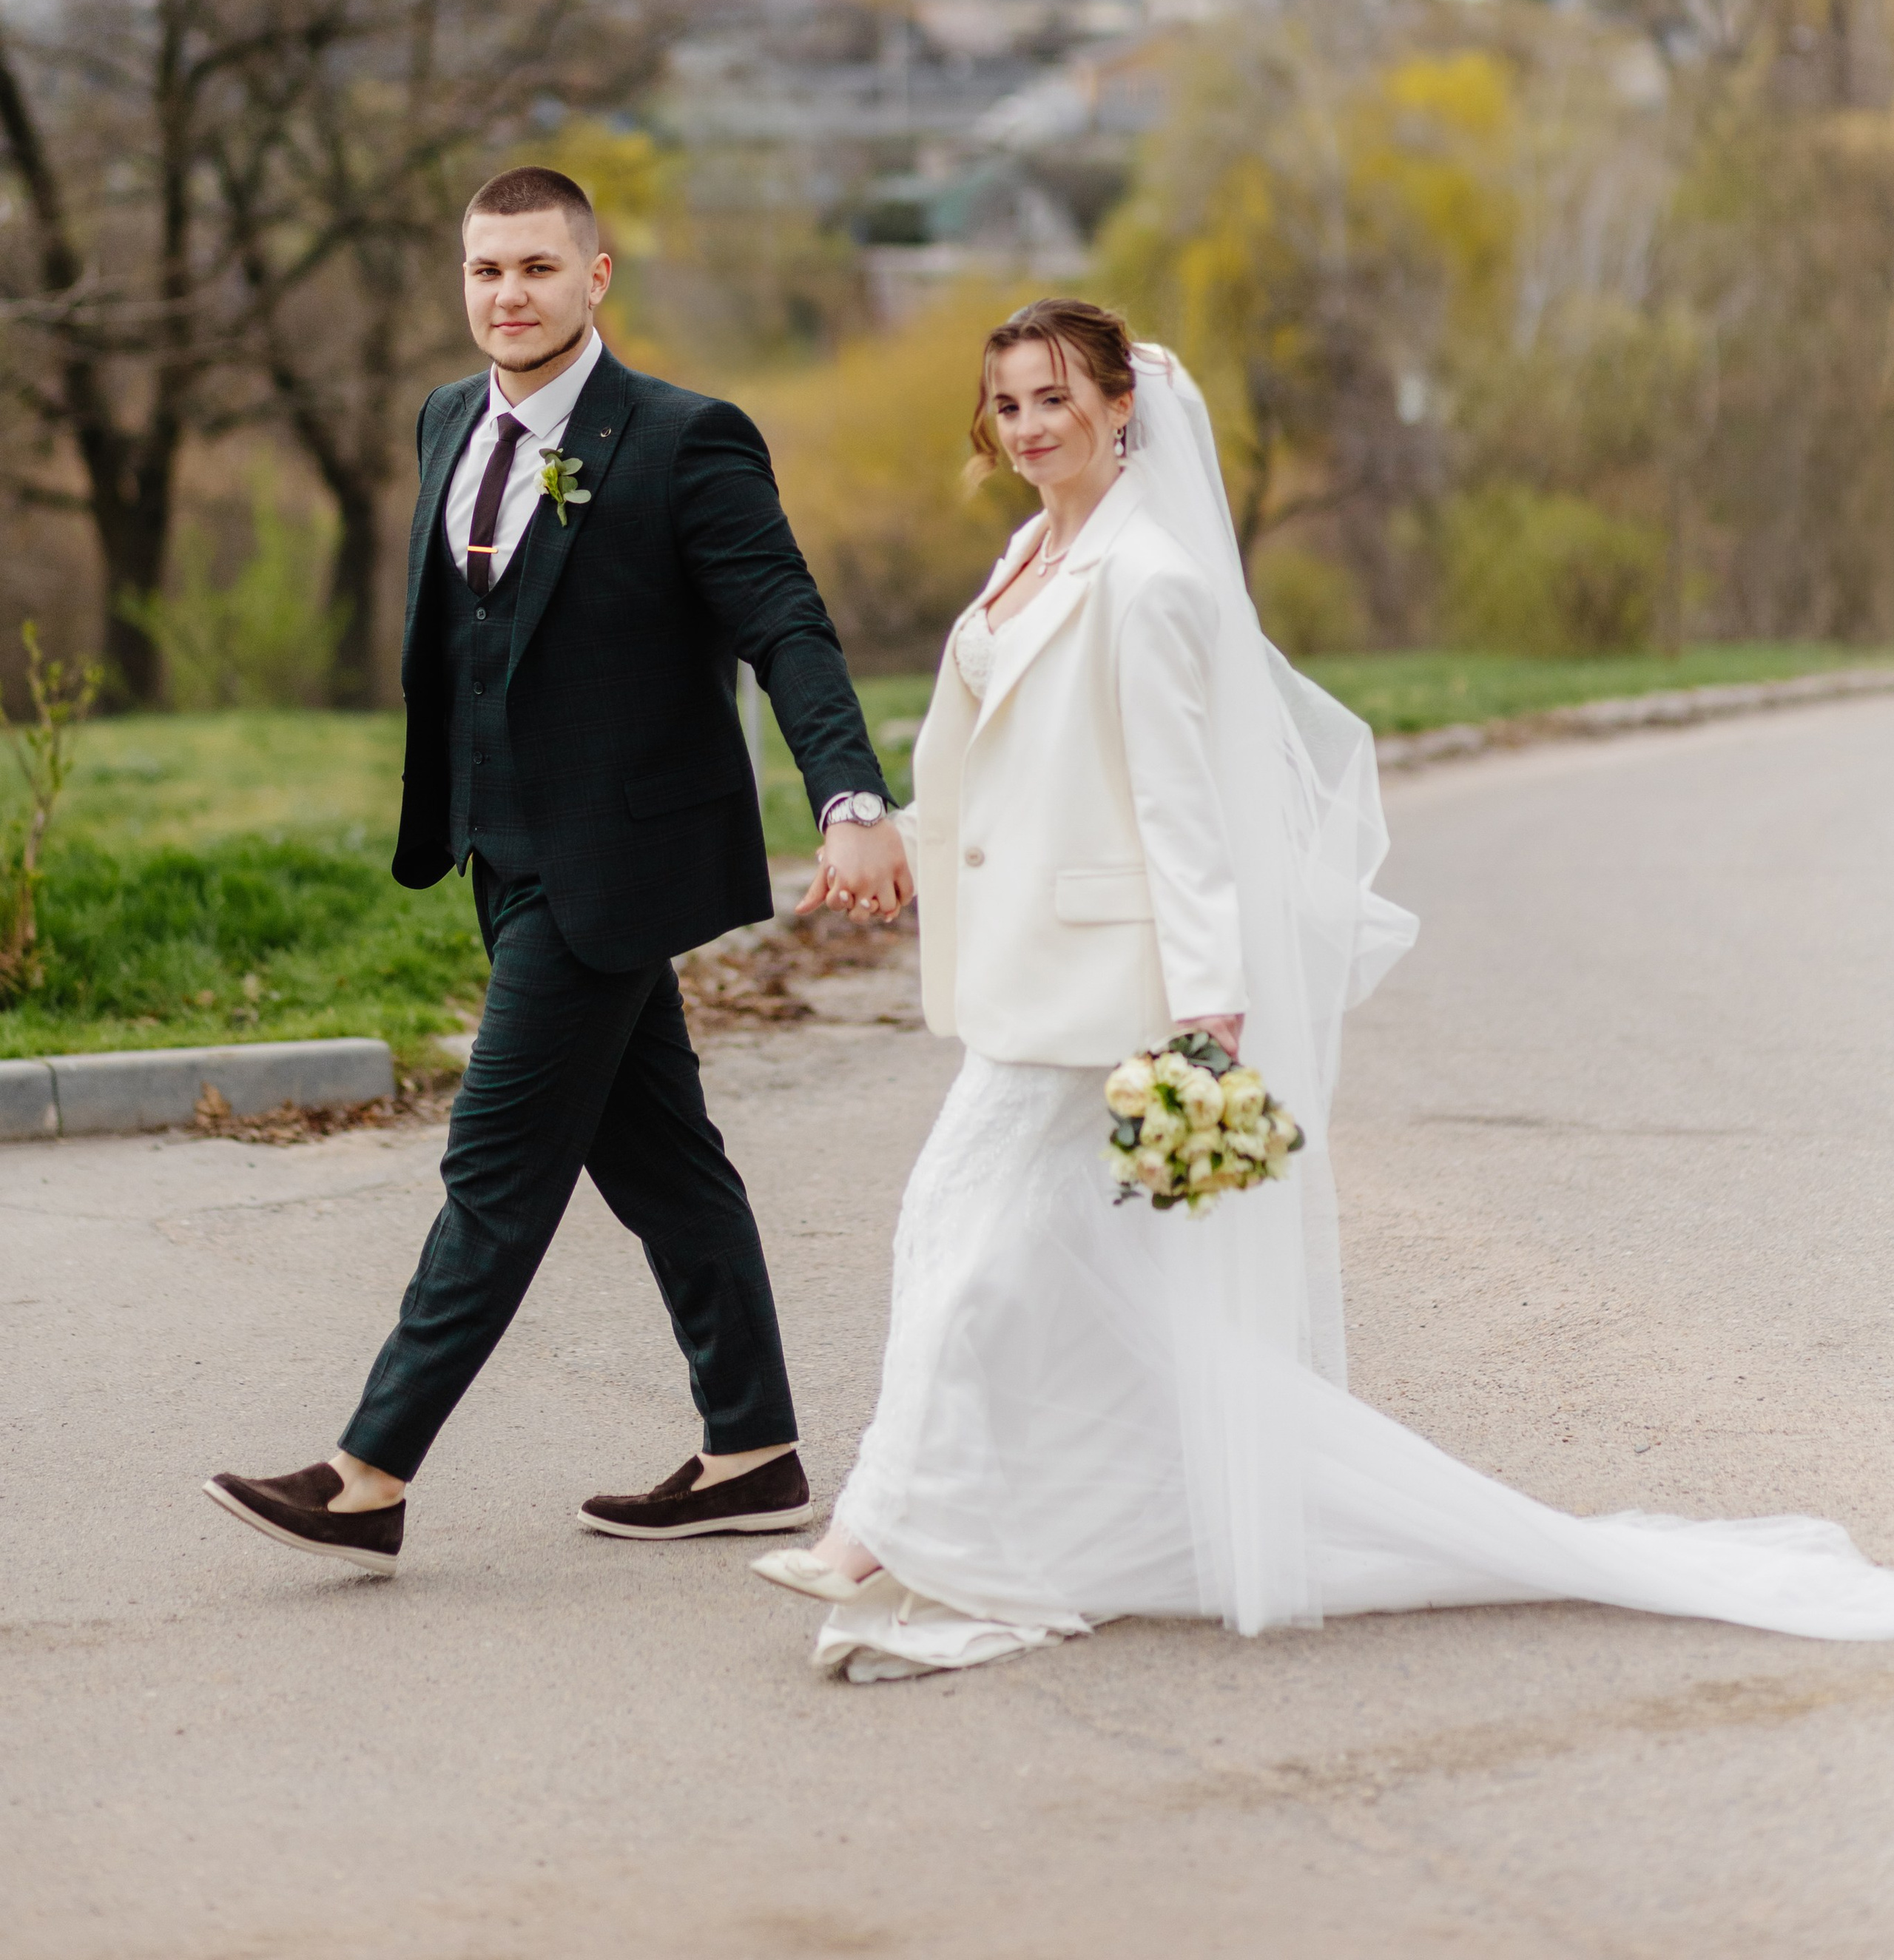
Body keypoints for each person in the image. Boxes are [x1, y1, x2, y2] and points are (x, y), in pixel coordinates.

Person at [754, 297, 1894, 1680]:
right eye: (1009, 403)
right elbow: (1006, 759)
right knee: (1017, 1255)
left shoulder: (1151, 581)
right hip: (1026, 966)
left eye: (1056, 397)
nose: (1031, 425)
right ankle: (1047, 1514)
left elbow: (1185, 816)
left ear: (1121, 405)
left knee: (966, 1236)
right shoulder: (1028, 556)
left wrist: (1208, 1013)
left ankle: (880, 1528)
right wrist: (903, 843)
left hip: (1109, 984)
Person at [204, 166, 909, 1572]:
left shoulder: (686, 439)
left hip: (615, 861)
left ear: (595, 278)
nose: (509, 295)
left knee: (496, 1163)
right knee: (665, 1163)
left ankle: (368, 1473)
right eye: (486, 270)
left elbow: (786, 624)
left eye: (536, 267)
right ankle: (755, 1451)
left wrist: (848, 796)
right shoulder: (445, 419)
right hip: (500, 850)